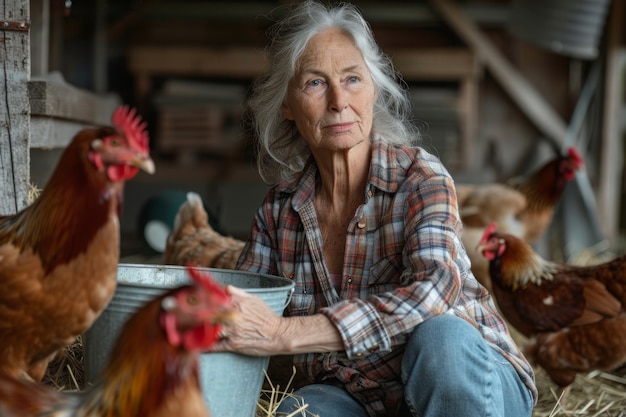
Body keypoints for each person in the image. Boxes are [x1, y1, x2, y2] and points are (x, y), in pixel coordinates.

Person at [213, 1, 538, 416]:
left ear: (374, 89)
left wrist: (286, 333)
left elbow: (433, 294)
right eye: (315, 83)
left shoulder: (420, 178)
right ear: (287, 106)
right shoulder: (279, 210)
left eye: (352, 78)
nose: (338, 101)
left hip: (470, 383)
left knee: (440, 340)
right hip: (361, 396)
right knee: (299, 411)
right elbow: (247, 309)